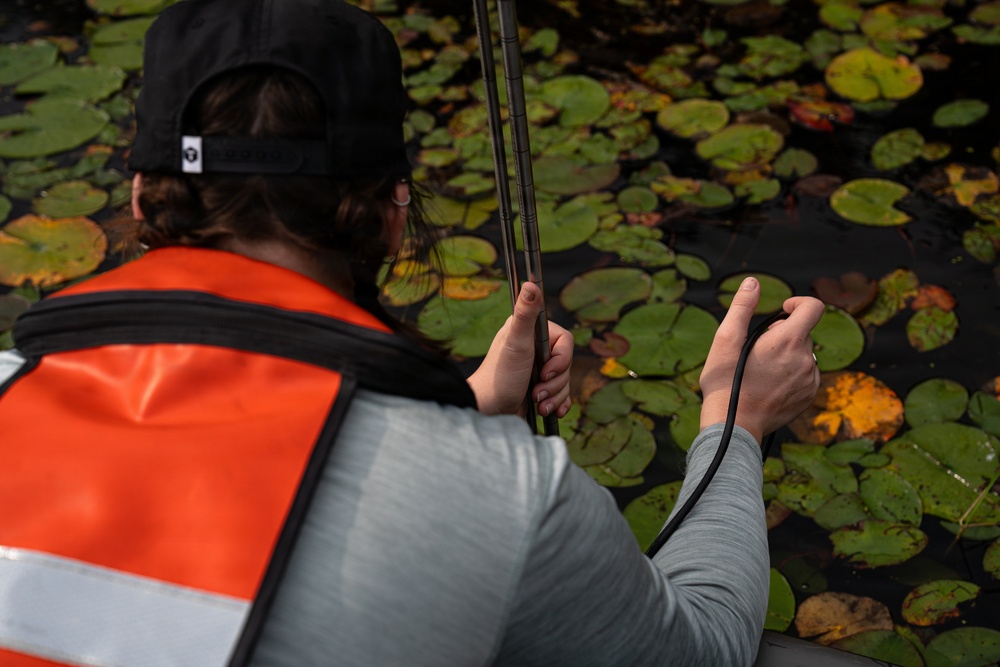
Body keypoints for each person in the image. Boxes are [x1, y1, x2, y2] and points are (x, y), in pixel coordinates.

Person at [0, 0, 824, 665]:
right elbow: (706, 645)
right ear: (394, 220)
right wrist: (735, 419)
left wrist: (469, 411)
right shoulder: (502, 495)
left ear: (143, 200)